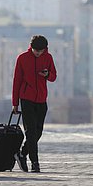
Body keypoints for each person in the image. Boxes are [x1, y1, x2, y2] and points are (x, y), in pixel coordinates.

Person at [12, 35, 57, 173]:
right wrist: (15, 103)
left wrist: (47, 74)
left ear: (45, 49)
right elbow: (17, 81)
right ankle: (35, 163)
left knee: (38, 132)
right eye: (35, 50)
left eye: (40, 51)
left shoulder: (48, 58)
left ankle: (22, 153)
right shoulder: (22, 58)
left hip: (42, 100)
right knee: (31, 132)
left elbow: (54, 76)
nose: (37, 53)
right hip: (27, 99)